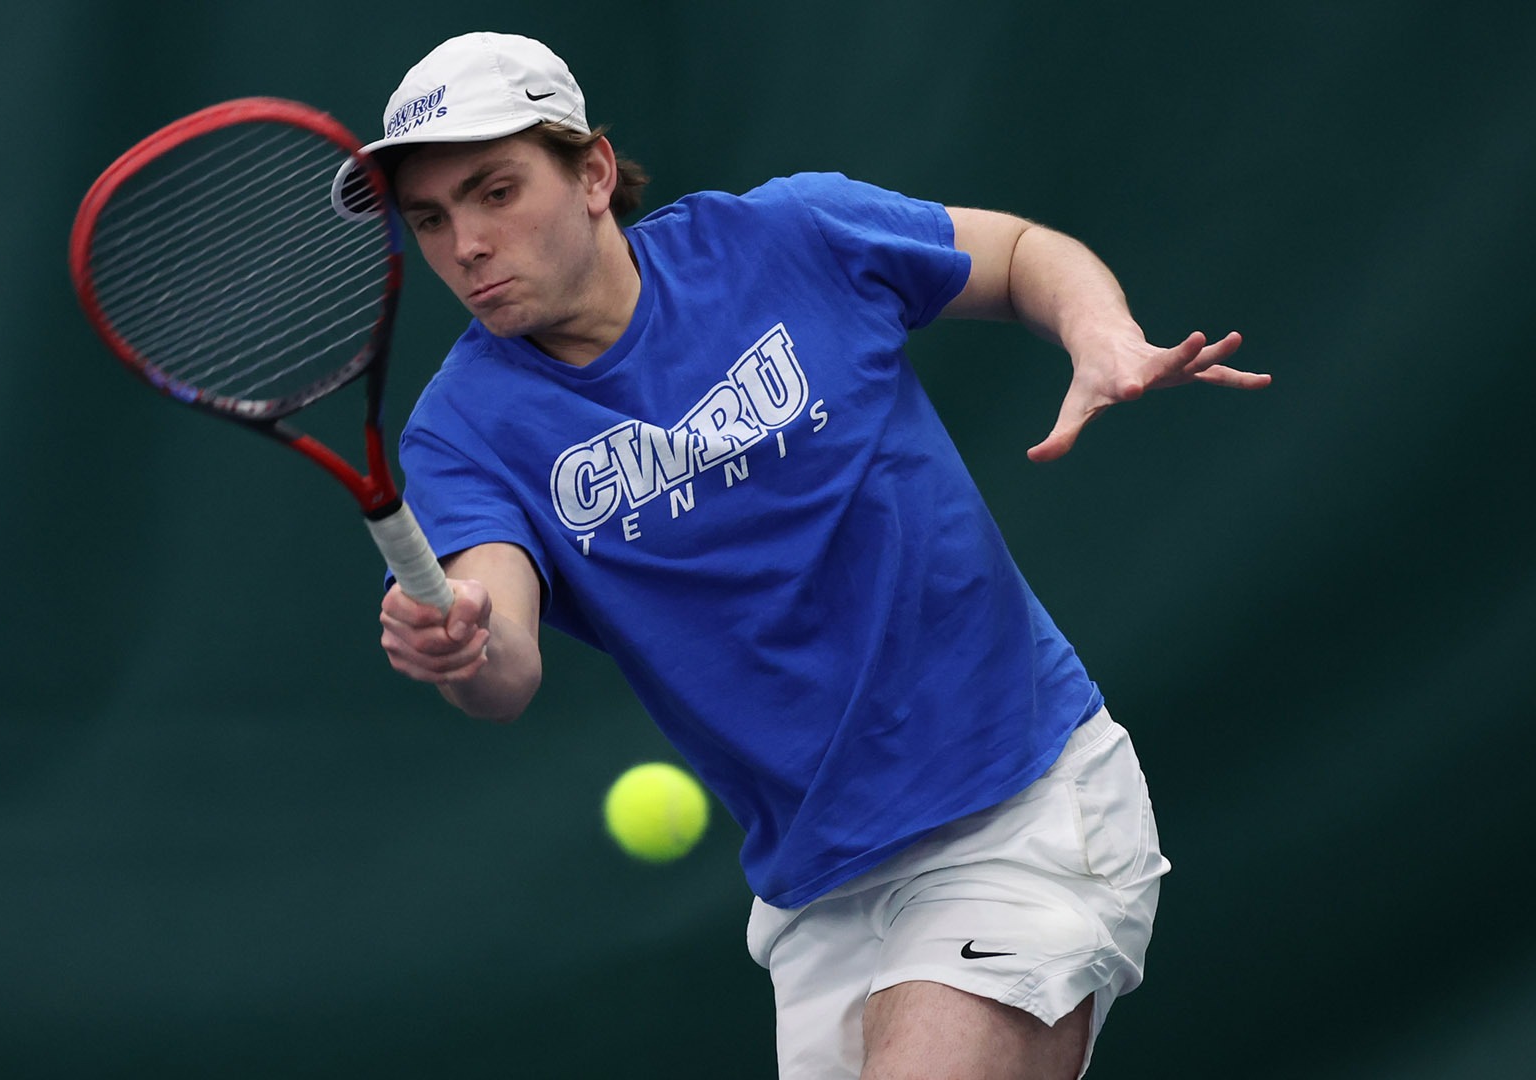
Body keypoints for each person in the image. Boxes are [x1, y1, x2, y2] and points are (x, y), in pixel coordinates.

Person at [358, 30, 1269, 1080]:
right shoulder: (462, 430)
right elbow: (501, 654)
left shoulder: (787, 237)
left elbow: (1017, 255)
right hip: (820, 895)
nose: (465, 242)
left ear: (594, 172)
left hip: (1019, 807)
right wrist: (459, 646)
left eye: (495, 191)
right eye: (430, 218)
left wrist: (1099, 330)